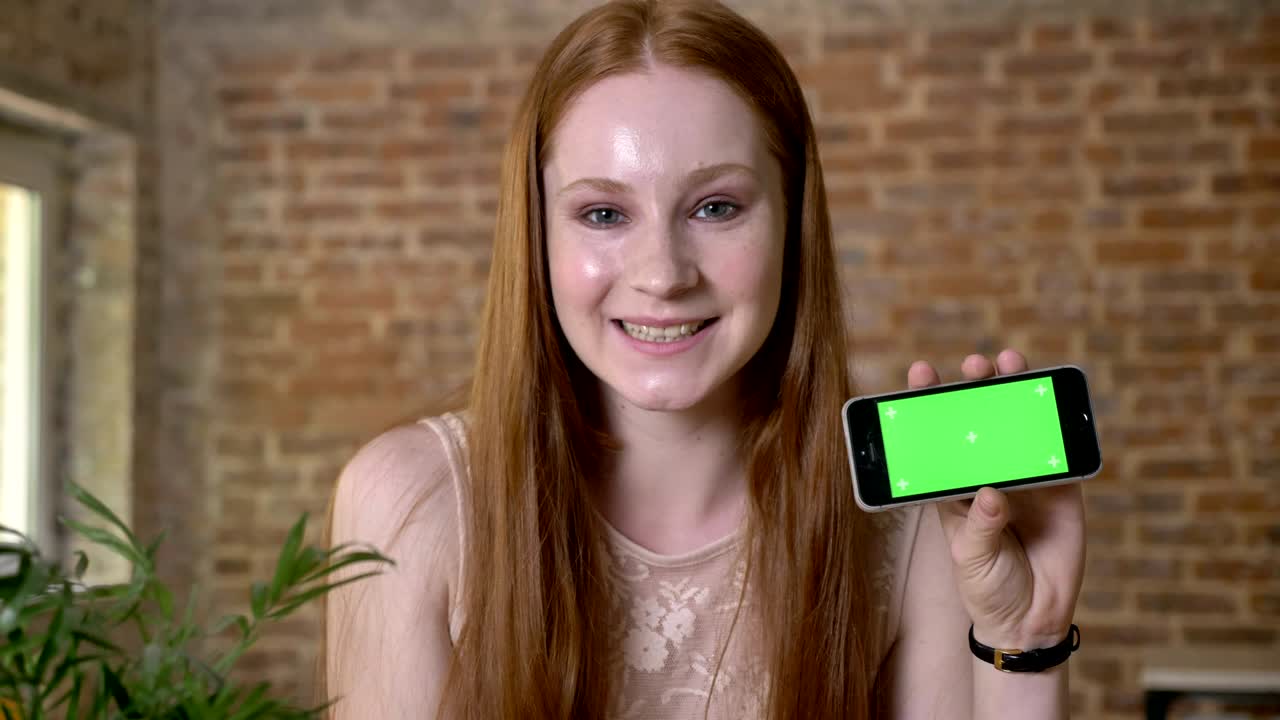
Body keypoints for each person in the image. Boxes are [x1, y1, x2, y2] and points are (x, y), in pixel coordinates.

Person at [323, 0, 1087, 717]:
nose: (663, 274)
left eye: (716, 207)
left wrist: (1024, 642)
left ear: (792, 225)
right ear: (538, 236)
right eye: (603, 213)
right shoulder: (411, 503)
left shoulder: (910, 529)